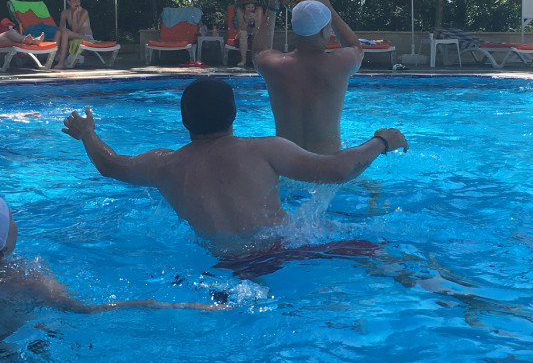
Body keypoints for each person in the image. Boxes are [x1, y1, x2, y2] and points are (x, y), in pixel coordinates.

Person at [62, 78, 407, 237]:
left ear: (184, 121)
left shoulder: (162, 164)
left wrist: (87, 134)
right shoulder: (264, 149)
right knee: (379, 251)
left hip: (224, 267)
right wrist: (381, 141)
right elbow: (337, 170)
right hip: (286, 250)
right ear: (233, 115)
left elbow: (109, 165)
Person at [0, 196, 223, 339]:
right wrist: (164, 304)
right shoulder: (28, 280)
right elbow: (89, 310)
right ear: (7, 242)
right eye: (11, 219)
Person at [252, 0, 364, 154]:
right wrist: (327, 5)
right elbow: (355, 47)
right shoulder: (340, 63)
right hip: (327, 163)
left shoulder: (273, 64)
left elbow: (258, 50)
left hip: (287, 162)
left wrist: (272, 6)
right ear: (324, 30)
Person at [53, 0, 94, 70]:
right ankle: (51, 60)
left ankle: (61, 63)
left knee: (65, 32)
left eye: (78, 1)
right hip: (75, 36)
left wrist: (75, 15)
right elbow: (60, 27)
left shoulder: (84, 12)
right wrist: (63, 29)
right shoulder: (65, 13)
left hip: (86, 37)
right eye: (74, 1)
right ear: (69, 2)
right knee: (58, 33)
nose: (77, 3)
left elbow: (75, 30)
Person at [234, 0, 262, 67]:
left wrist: (255, 19)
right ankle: (243, 60)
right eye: (248, 7)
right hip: (241, 33)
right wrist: (247, 20)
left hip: (253, 33)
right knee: (243, 33)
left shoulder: (258, 11)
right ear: (244, 7)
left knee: (257, 35)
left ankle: (257, 61)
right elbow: (242, 28)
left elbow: (258, 27)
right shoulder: (240, 11)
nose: (251, 9)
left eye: (252, 7)